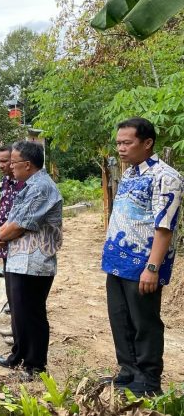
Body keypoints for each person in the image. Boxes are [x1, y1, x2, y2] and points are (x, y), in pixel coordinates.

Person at [101, 118, 183, 396]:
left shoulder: (166, 176)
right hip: (117, 263)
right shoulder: (130, 174)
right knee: (120, 319)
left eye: (127, 143)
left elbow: (164, 226)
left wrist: (152, 268)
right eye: (118, 143)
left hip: (142, 266)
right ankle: (128, 372)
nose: (120, 149)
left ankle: (148, 381)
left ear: (147, 143)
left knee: (144, 322)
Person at [0, 140, 63, 379]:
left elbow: (21, 223)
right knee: (19, 312)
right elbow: (13, 218)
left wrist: (2, 235)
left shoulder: (41, 187)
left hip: (34, 263)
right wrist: (2, 234)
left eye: (13, 163)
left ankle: (35, 365)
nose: (10, 167)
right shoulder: (27, 185)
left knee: (32, 314)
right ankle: (18, 355)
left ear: (27, 164)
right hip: (18, 260)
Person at [0, 145, 24, 342]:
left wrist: (6, 235)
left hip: (18, 242)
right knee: (10, 286)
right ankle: (15, 325)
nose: (2, 165)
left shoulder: (24, 184)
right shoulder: (4, 182)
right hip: (3, 241)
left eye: (7, 161)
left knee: (20, 289)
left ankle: (21, 330)